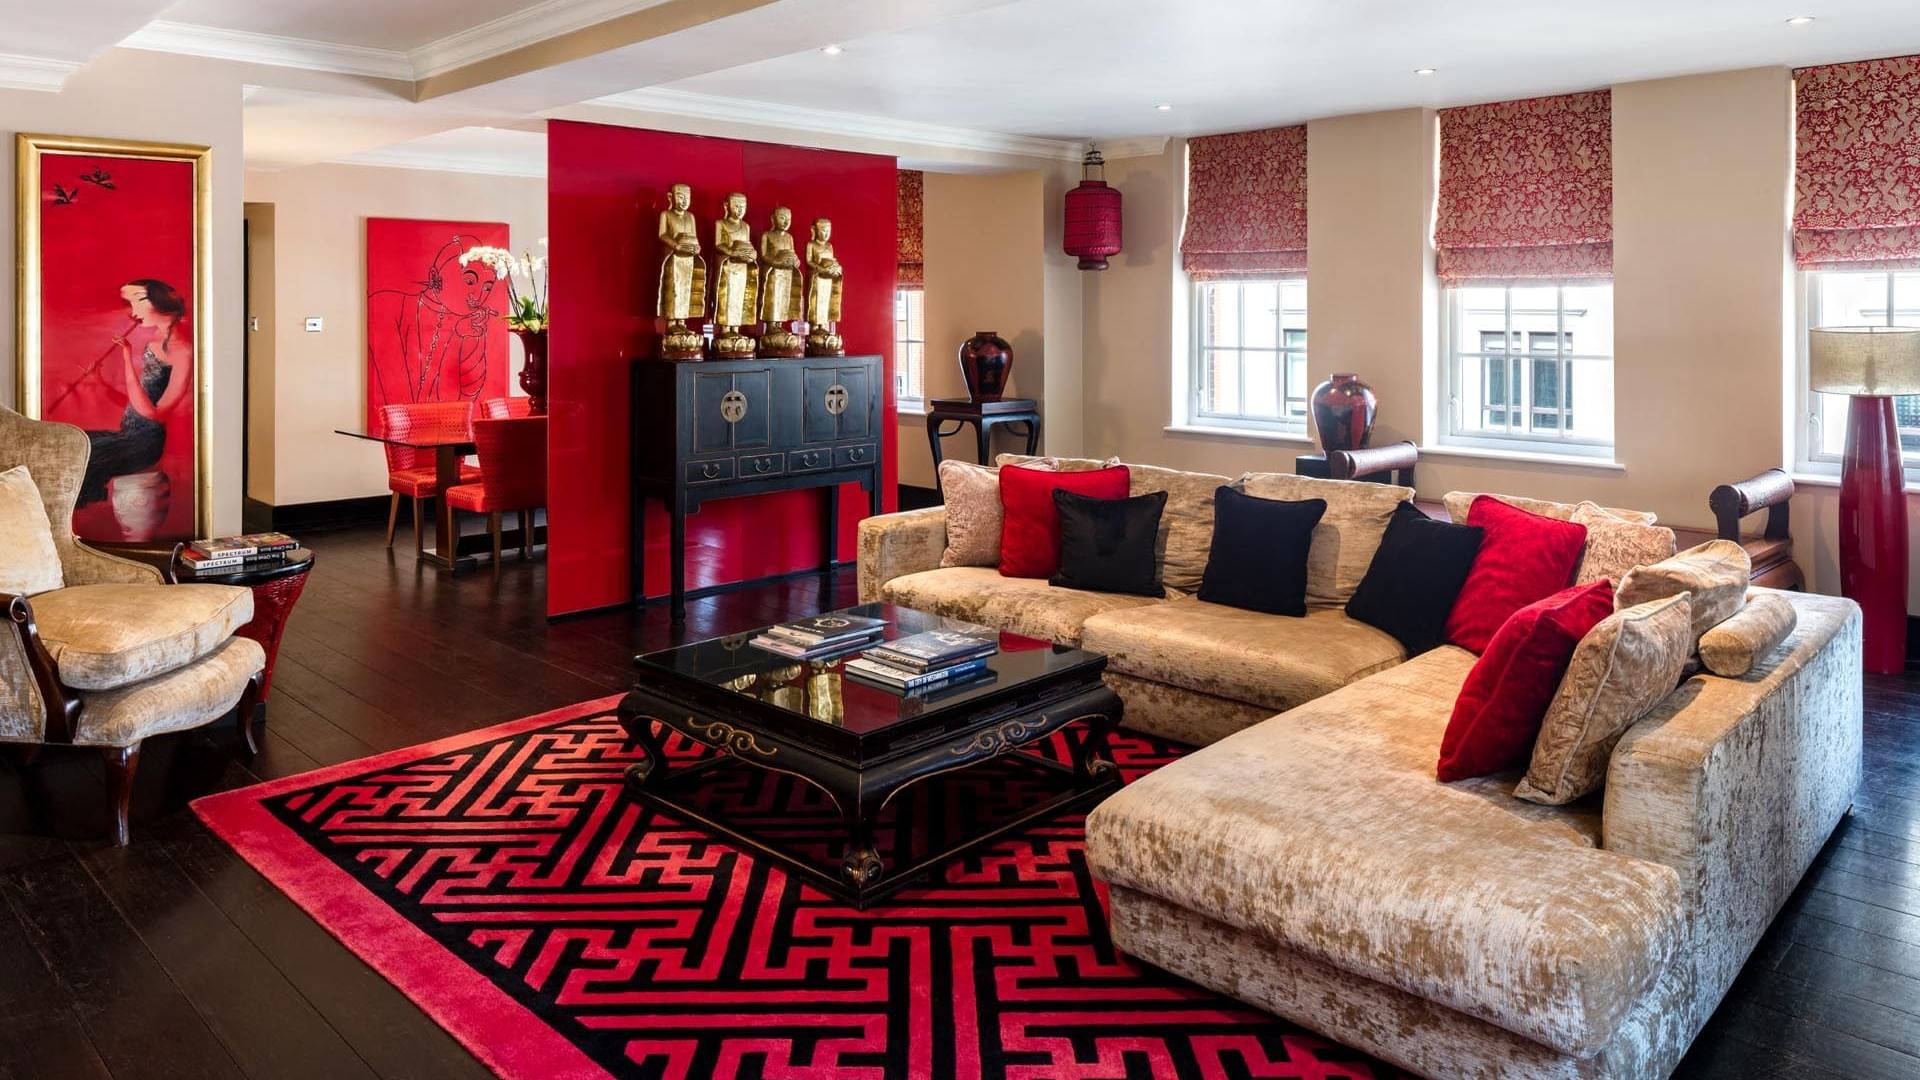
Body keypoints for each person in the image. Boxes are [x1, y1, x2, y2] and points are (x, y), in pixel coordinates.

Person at [80, 279, 191, 507]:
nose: (134, 311)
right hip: (127, 436)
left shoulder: (182, 351)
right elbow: (136, 401)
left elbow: (153, 414)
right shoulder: (156, 341)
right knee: (74, 442)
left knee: (85, 458)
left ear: (161, 300)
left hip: (144, 444)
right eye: (130, 303)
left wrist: (127, 359)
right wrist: (99, 383)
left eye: (139, 300)